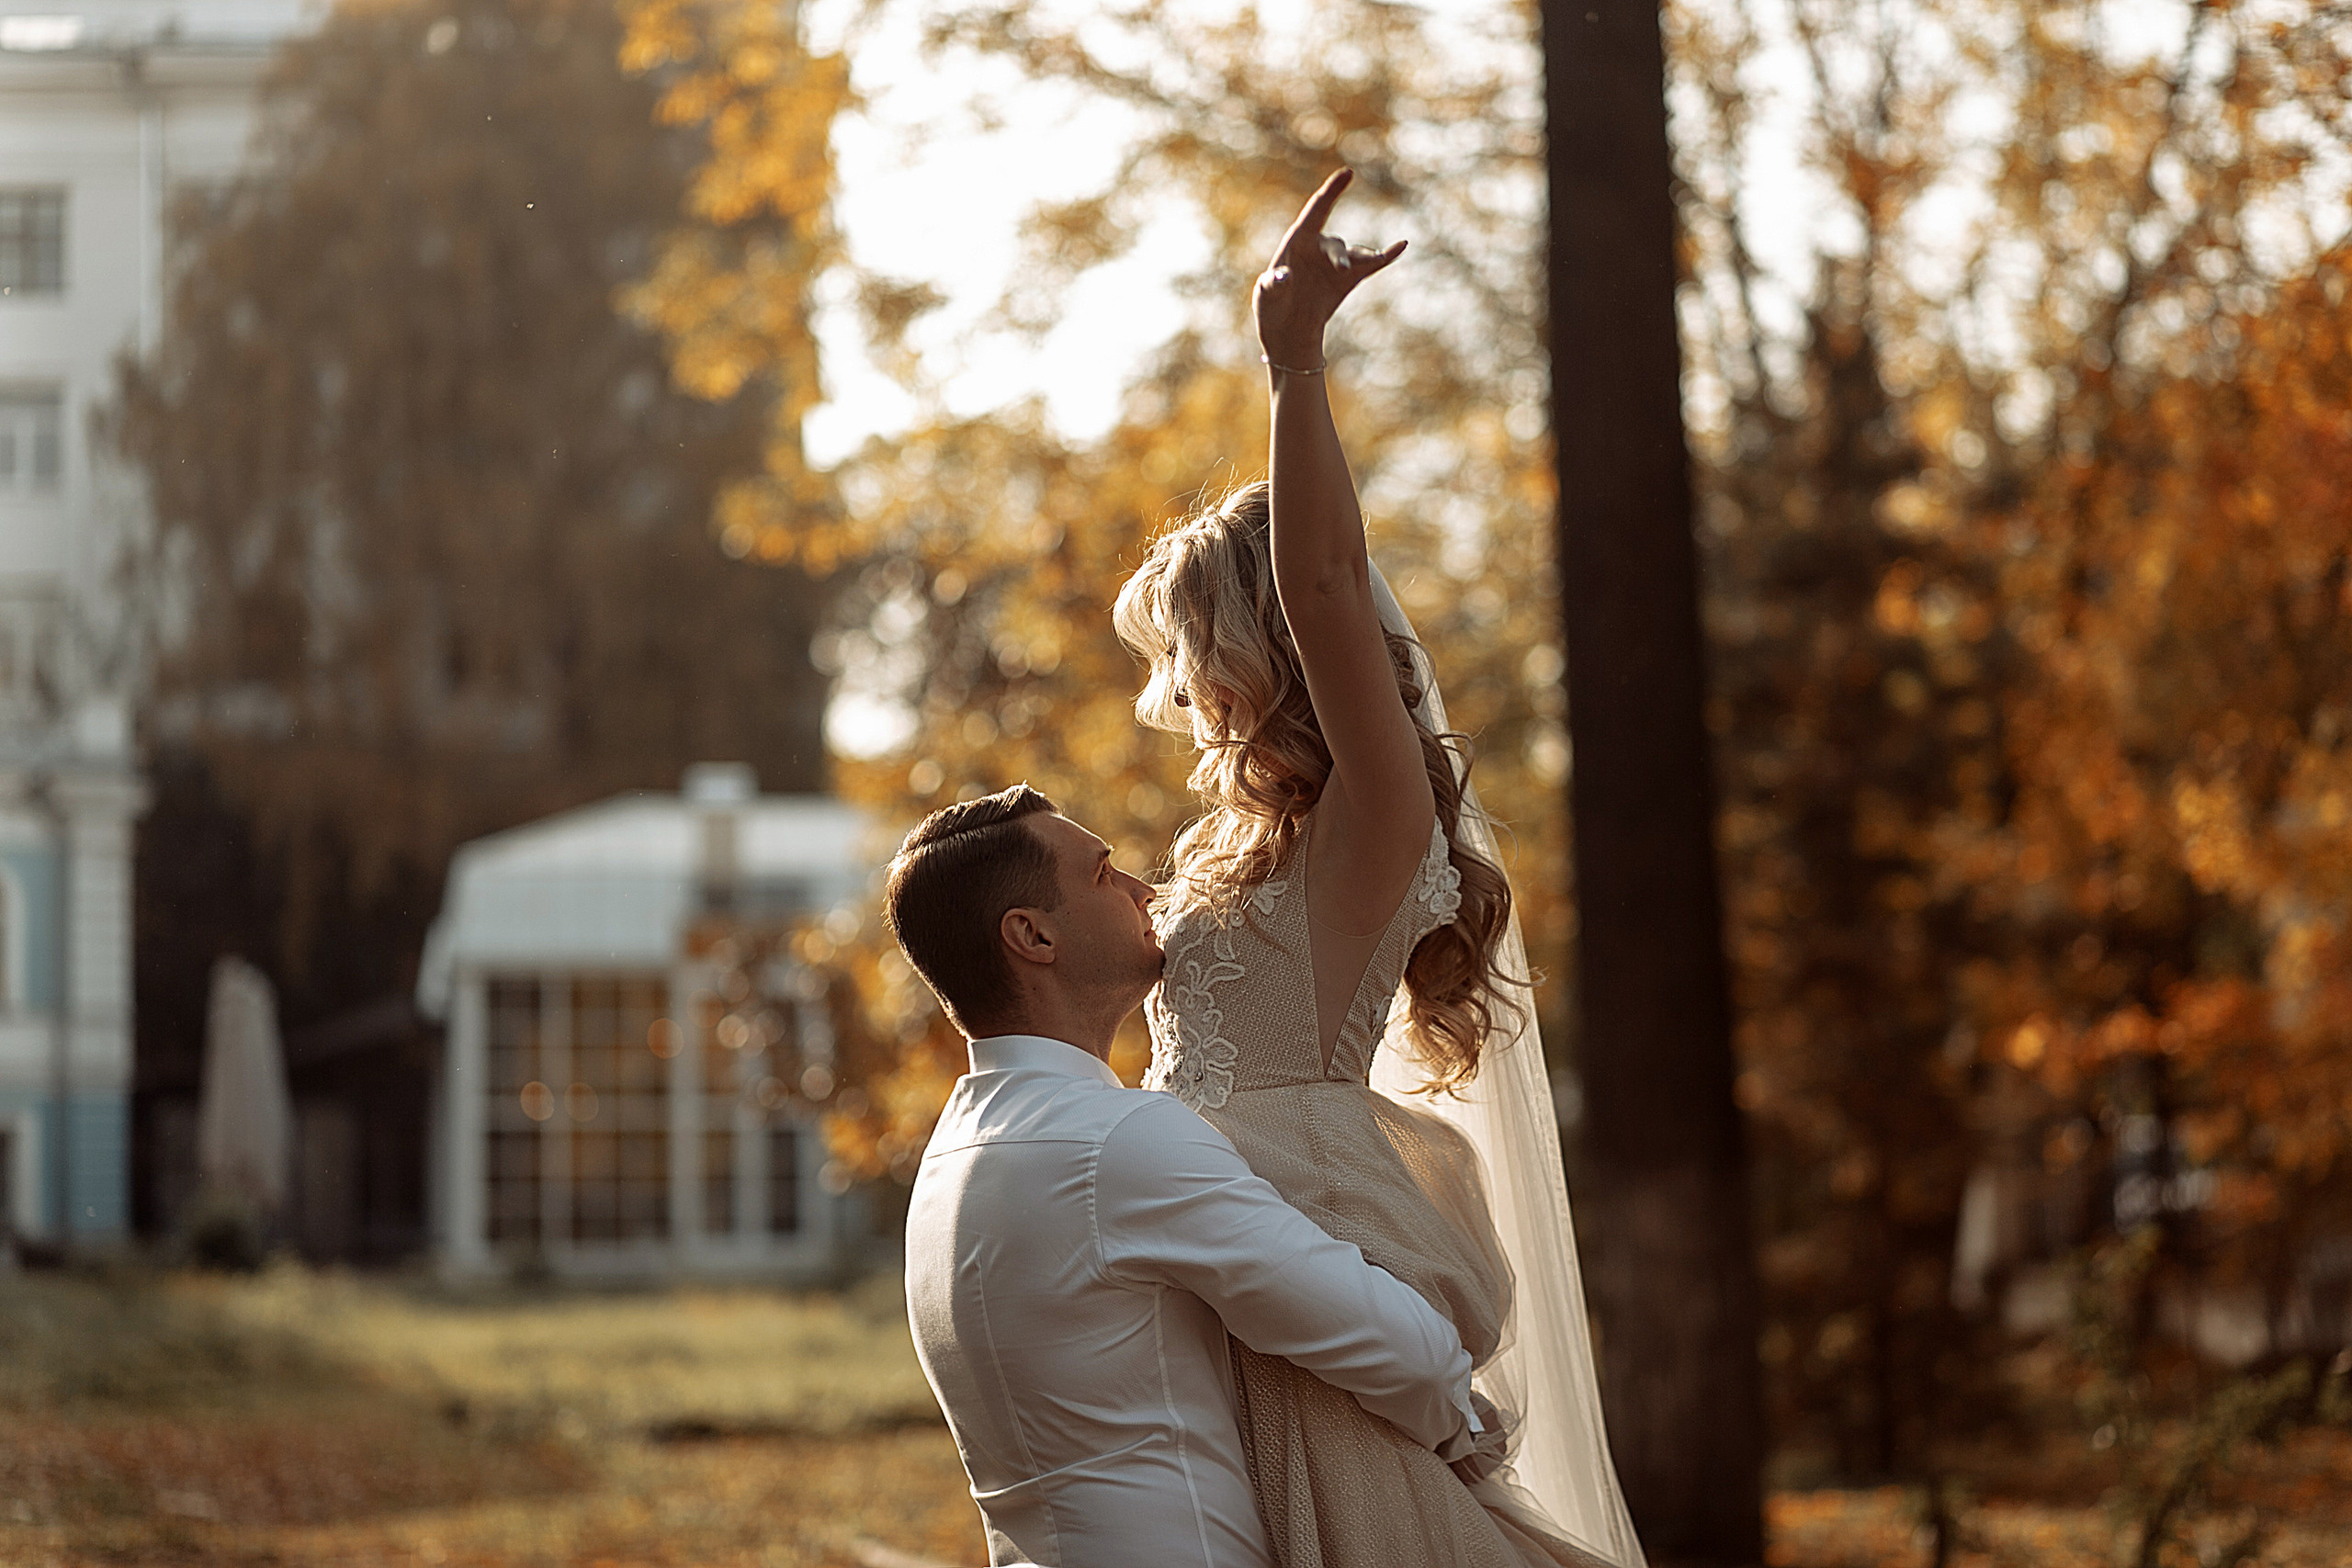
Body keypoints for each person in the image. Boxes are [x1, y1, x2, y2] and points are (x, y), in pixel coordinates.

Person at [1112, 172, 1645, 1568]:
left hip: (1307, 1271)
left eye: (1189, 647)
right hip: (1215, 1267)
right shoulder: (1245, 849)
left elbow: (1334, 586)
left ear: (1255, 641)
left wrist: (1294, 364)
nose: (1180, 687)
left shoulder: (1375, 819)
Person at [888, 784, 1504, 1568]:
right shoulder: (1119, 1141)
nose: (1145, 890)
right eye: (1105, 873)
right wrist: (1467, 1416)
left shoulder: (945, 1164)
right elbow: (1388, 1340)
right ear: (1032, 934)